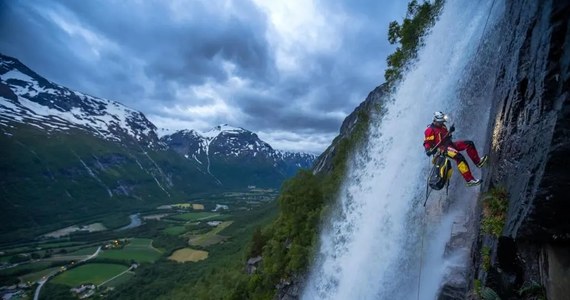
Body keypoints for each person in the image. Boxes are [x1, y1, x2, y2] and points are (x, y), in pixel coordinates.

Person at [423, 111, 488, 187]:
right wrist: (428, 150)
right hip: (443, 149)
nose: (442, 123)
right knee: (459, 157)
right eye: (440, 122)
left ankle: (478, 162)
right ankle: (469, 180)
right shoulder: (429, 130)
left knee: (469, 144)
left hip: (450, 144)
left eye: (442, 122)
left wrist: (451, 131)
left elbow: (447, 136)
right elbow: (427, 142)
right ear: (435, 120)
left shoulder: (443, 126)